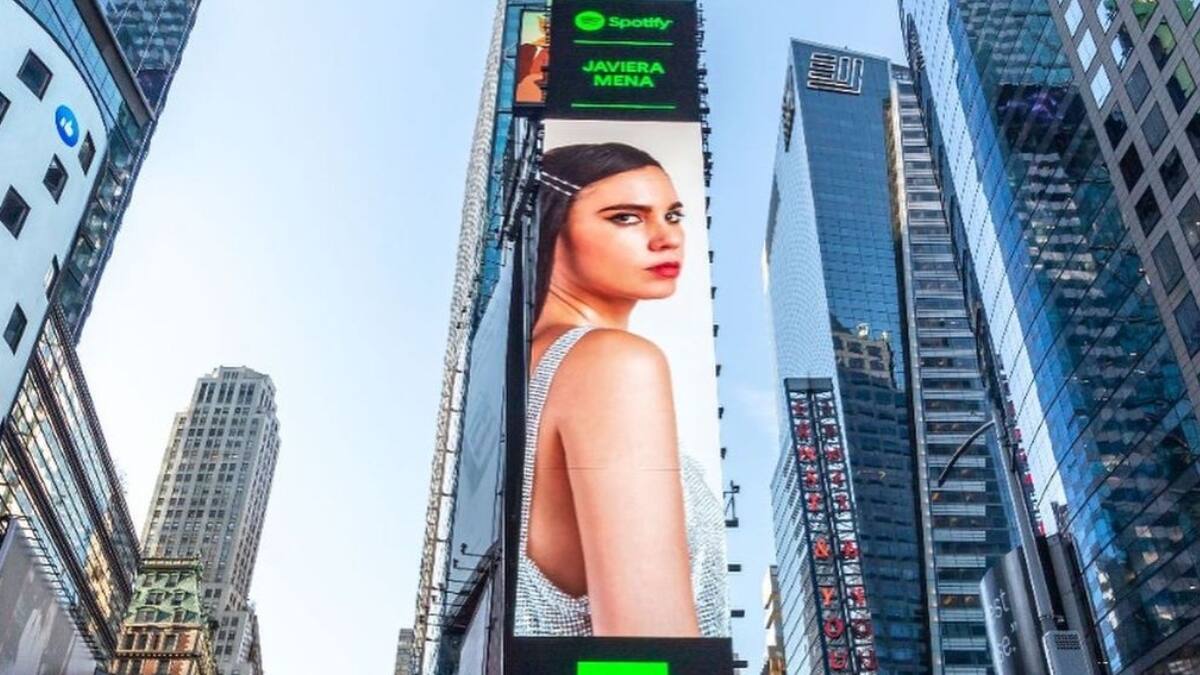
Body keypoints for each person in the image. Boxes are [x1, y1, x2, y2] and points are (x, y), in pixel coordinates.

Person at [515, 142, 726, 638]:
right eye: (626, 217)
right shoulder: (611, 363)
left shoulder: (524, 369)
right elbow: (649, 651)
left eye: (673, 215)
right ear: (551, 226)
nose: (666, 238)